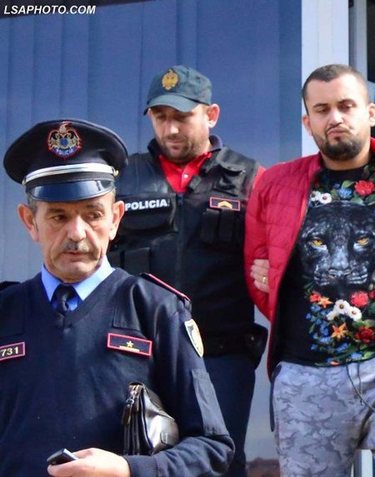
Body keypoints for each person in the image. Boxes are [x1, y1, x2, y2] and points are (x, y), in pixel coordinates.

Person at [244, 63, 375, 476]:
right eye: (322, 109)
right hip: (306, 370)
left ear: (370, 113)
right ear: (308, 122)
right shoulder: (273, 185)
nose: (335, 118)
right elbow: (260, 274)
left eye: (346, 106)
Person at [0, 118, 234, 476]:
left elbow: (212, 447)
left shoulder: (156, 311)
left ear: (115, 218)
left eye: (92, 215)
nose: (77, 233)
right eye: (58, 217)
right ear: (30, 222)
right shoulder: (5, 313)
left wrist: (129, 469)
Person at [108, 65, 266, 477]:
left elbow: (276, 256)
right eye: (160, 117)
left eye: (182, 116)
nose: (171, 129)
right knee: (137, 460)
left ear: (211, 115)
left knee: (220, 462)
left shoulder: (250, 178)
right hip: (139, 352)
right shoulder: (121, 177)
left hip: (221, 353)